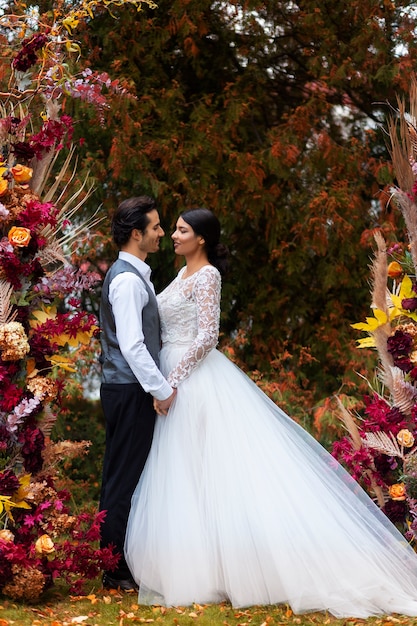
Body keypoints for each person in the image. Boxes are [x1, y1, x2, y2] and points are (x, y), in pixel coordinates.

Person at [125, 207, 417, 617]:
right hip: (175, 376)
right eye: (172, 229)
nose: (173, 235)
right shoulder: (180, 274)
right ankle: (204, 564)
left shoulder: (208, 275)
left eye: (181, 230)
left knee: (214, 473)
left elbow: (208, 335)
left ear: (202, 239)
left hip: (192, 380)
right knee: (188, 474)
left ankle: (237, 566)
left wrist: (171, 380)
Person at [99, 196, 176, 592]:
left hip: (124, 388)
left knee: (121, 474)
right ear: (136, 234)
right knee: (123, 478)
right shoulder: (127, 280)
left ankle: (114, 560)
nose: (162, 233)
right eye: (156, 227)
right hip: (129, 389)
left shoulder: (133, 274)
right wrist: (161, 389)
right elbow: (132, 344)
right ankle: (113, 568)